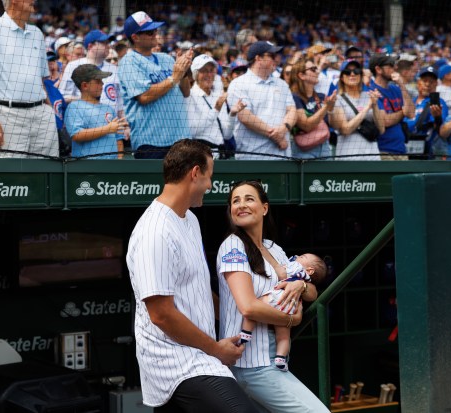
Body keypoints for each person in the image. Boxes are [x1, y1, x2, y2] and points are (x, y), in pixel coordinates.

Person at [126, 139, 258, 412]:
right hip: (175, 363)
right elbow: (161, 314)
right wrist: (216, 349)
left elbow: (196, 289)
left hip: (199, 355)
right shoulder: (155, 231)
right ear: (195, 173)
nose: (210, 185)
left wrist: (244, 316)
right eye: (210, 176)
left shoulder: (190, 219)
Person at [217, 180, 329, 412]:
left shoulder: (274, 248)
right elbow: (248, 308)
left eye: (249, 199)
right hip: (252, 365)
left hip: (273, 362)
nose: (241, 205)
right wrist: (291, 320)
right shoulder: (233, 247)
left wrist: (300, 285)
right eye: (235, 201)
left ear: (264, 208)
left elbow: (312, 291)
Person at [0, 0, 58, 158]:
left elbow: (39, 79)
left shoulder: (37, 33)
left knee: (46, 174)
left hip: (41, 116)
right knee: (8, 179)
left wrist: (49, 110)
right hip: (6, 116)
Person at [118, 11, 193, 159]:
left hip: (180, 138)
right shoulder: (129, 61)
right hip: (151, 142)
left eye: (155, 30)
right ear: (135, 37)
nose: (155, 34)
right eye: (150, 32)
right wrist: (174, 77)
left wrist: (183, 71)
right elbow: (144, 96)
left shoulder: (166, 58)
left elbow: (186, 92)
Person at [239, 253, 327, 373]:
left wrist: (285, 266)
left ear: (310, 270)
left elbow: (283, 273)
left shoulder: (296, 267)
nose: (298, 257)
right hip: (290, 305)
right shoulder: (304, 276)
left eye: (303, 257)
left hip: (278, 297)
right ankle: (281, 358)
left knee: (254, 306)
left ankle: (245, 333)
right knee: (283, 337)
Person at [227, 41, 296, 160]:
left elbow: (292, 111)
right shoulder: (238, 83)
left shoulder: (282, 84)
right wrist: (277, 136)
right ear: (258, 58)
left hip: (283, 156)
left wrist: (284, 128)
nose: (276, 59)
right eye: (272, 56)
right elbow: (245, 117)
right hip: (253, 157)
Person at [187, 54, 246, 159]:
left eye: (211, 70)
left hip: (221, 156)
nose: (209, 74)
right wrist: (215, 110)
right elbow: (192, 131)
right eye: (204, 70)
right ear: (195, 74)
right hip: (201, 157)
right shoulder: (190, 96)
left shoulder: (217, 96)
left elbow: (227, 135)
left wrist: (232, 114)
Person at [64, 64, 127, 159]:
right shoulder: (74, 107)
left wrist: (119, 159)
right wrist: (107, 129)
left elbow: (118, 139)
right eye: (98, 81)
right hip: (87, 166)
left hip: (112, 167)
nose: (102, 84)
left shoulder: (109, 109)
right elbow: (77, 135)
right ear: (85, 85)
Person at [331, 59, 385, 160]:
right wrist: (367, 107)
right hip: (348, 156)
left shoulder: (370, 95)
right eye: (347, 72)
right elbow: (345, 129)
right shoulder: (337, 99)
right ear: (342, 77)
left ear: (360, 76)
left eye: (356, 71)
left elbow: (381, 129)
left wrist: (374, 105)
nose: (352, 74)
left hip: (372, 156)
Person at [368, 53, 415, 160]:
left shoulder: (396, 89)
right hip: (382, 151)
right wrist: (403, 112)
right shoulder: (372, 90)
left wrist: (402, 85)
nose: (395, 67)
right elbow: (385, 121)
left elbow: (411, 113)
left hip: (401, 150)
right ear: (378, 69)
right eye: (390, 65)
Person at [289, 58, 337, 159]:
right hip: (303, 150)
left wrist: (331, 108)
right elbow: (306, 126)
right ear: (301, 75)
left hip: (324, 146)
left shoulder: (321, 97)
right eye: (313, 69)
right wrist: (325, 108)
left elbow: (333, 124)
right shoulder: (293, 97)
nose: (317, 71)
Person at [405, 66, 449, 158]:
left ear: (436, 84)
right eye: (425, 80)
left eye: (431, 82)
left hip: (425, 152)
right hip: (404, 147)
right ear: (418, 83)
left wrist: (437, 117)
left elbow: (439, 128)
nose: (428, 84)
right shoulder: (411, 101)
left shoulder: (439, 102)